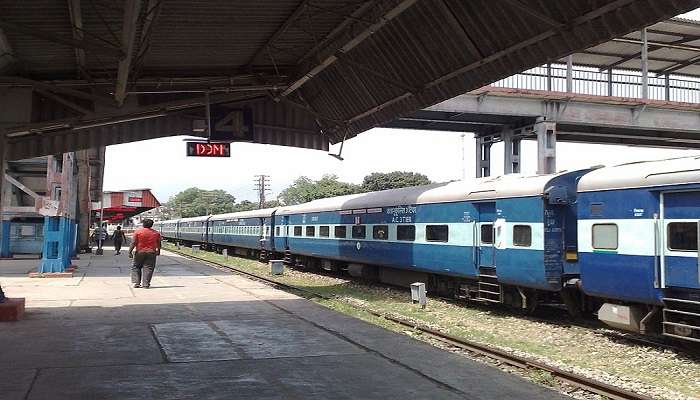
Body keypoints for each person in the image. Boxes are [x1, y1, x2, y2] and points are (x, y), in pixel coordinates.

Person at [128, 219, 161, 289]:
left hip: (139, 252)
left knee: (136, 266)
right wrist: (158, 250)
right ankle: (146, 284)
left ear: (143, 224)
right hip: (151, 252)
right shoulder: (156, 233)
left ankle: (137, 283)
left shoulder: (138, 232)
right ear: (152, 225)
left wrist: (130, 251)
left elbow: (133, 242)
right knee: (149, 268)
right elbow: (159, 243)